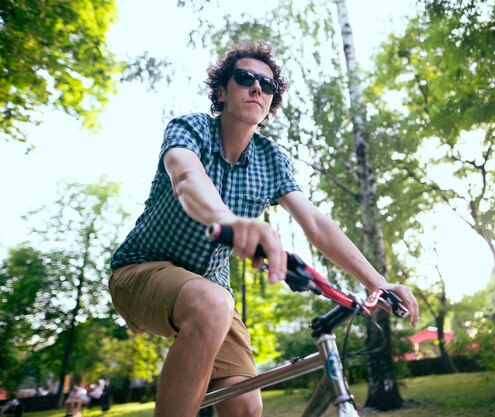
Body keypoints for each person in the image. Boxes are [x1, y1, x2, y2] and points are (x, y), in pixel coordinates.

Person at [108, 40, 419, 417]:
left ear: (271, 102)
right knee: (211, 303)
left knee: (245, 406)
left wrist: (377, 282)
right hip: (141, 271)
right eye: (245, 78)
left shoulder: (272, 160)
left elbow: (317, 225)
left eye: (267, 85)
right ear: (221, 92)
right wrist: (231, 222)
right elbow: (187, 179)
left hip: (210, 291)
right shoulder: (190, 129)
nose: (257, 88)